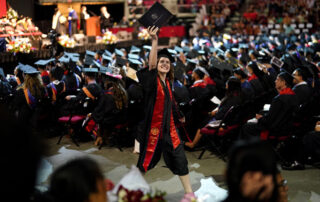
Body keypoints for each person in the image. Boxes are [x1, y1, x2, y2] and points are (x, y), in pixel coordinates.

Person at [136, 26, 193, 194]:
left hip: (170, 131)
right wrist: (154, 40)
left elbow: (172, 103)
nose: (165, 64)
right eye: (162, 61)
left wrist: (178, 116)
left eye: (167, 62)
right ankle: (133, 190)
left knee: (181, 159)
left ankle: (189, 194)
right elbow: (152, 65)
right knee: (145, 163)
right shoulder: (152, 82)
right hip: (154, 131)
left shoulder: (168, 84)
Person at [185, 76, 243, 149]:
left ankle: (193, 144)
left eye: (227, 83)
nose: (226, 84)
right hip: (232, 119)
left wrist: (213, 113)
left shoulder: (231, 99)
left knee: (202, 124)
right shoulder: (239, 95)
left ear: (231, 86)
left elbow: (220, 115)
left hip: (224, 122)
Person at [241, 72, 299, 139]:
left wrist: (260, 118)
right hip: (287, 128)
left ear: (283, 82)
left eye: (277, 79)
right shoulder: (294, 95)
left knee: (246, 127)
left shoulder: (279, 99)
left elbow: (269, 121)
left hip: (276, 130)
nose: (275, 81)